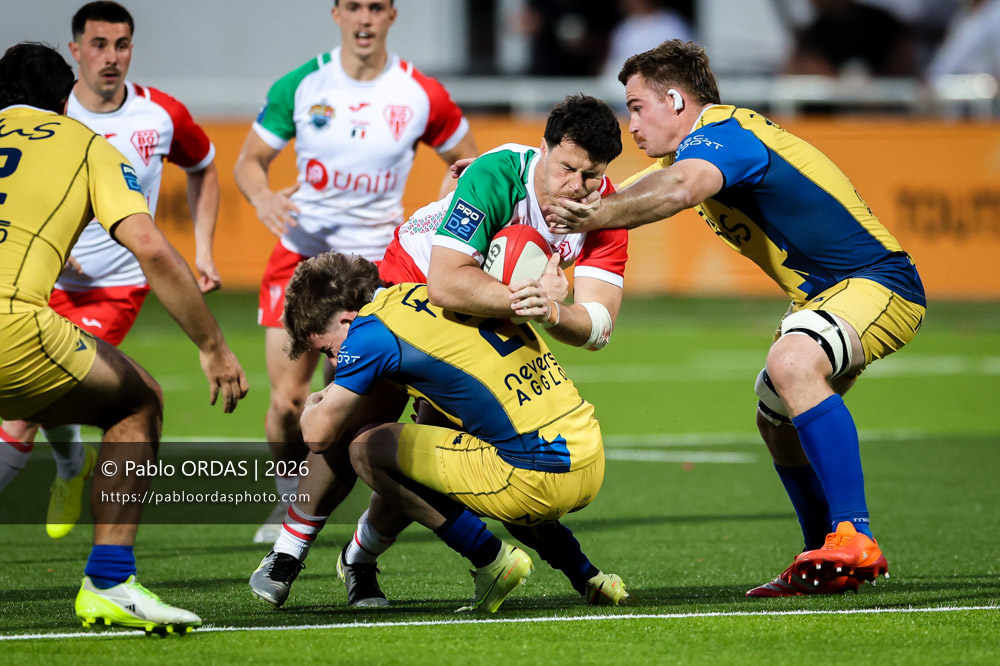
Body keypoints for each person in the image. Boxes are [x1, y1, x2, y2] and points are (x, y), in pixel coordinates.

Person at [545, 39, 926, 597]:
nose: (631, 124)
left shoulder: (725, 133)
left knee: (793, 363)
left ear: (675, 99)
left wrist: (596, 211)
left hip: (876, 282)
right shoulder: (698, 151)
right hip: (826, 298)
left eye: (636, 106)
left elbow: (671, 192)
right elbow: (621, 198)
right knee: (774, 421)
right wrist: (520, 195)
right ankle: (825, 557)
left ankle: (855, 534)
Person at [248, 95, 629, 610]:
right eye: (566, 168)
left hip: (496, 306)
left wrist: (553, 313)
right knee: (361, 416)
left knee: (436, 446)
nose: (576, 188)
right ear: (543, 149)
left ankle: (360, 557)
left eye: (592, 176)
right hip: (418, 278)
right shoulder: (498, 176)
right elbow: (447, 284)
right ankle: (287, 553)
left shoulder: (608, 209)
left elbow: (599, 325)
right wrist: (531, 301)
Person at [0, 43, 247, 633]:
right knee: (138, 400)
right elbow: (153, 248)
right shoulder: (88, 145)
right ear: (64, 101)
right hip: (12, 325)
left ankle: (67, 468)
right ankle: (109, 581)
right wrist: (213, 346)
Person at [233, 0, 478, 543]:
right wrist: (262, 197)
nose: (364, 19)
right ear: (335, 13)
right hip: (300, 257)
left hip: (375, 270)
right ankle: (289, 495)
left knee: (355, 396)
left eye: (375, 8)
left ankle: (342, 510)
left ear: (392, 15)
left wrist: (449, 205)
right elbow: (248, 161)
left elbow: (470, 164)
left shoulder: (421, 94)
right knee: (289, 400)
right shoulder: (301, 86)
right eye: (354, 7)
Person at [281, 251, 611, 613]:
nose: (333, 362)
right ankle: (589, 576)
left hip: (534, 481)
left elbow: (318, 436)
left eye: (328, 349)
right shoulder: (428, 292)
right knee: (492, 446)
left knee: (366, 447)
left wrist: (314, 400)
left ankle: (491, 559)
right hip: (589, 455)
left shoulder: (368, 334)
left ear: (346, 318)